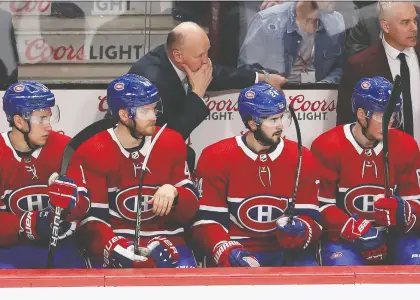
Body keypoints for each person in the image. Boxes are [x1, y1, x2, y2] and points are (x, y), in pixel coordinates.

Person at [121, 22, 287, 171]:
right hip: (136, 152)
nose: (206, 61)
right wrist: (197, 94)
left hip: (156, 147)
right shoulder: (152, 80)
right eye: (200, 55)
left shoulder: (181, 58)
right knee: (186, 155)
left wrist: (262, 77)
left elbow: (215, 74)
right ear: (178, 55)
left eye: (207, 53)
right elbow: (167, 137)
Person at [74, 74, 200, 268]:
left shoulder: (170, 141)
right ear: (124, 115)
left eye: (153, 109)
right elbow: (92, 220)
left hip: (168, 239)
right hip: (117, 240)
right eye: (144, 111)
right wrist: (116, 248)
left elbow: (190, 210)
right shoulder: (93, 151)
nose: (154, 116)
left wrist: (176, 193)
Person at [191, 82, 322, 267]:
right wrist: (227, 251)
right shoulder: (216, 156)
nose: (280, 126)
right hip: (238, 249)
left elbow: (313, 217)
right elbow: (206, 221)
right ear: (252, 123)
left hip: (285, 252)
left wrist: (302, 230)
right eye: (272, 120)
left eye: (281, 117)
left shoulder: (301, 156)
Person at [312, 76, 420, 266]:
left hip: (393, 235)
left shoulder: (406, 145)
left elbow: (415, 201)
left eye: (393, 115)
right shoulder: (327, 145)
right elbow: (319, 205)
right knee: (343, 272)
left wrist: (406, 212)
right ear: (361, 114)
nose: (389, 122)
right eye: (382, 115)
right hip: (347, 236)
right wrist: (353, 228)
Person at [0, 81, 90, 268]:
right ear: (19, 121)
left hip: (60, 247)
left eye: (49, 118)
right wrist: (27, 224)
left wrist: (71, 205)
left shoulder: (65, 147)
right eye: (41, 119)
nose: (48, 126)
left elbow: (84, 203)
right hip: (9, 250)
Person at [336, 1, 420, 144]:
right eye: (405, 22)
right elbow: (346, 123)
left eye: (415, 20)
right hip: (382, 159)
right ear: (385, 26)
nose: (414, 28)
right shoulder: (359, 66)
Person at [238, 1, 345, 84]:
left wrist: (323, 86)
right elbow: (247, 70)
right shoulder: (267, 20)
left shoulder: (336, 21)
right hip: (273, 96)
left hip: (318, 102)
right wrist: (268, 82)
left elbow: (339, 67)